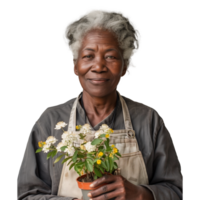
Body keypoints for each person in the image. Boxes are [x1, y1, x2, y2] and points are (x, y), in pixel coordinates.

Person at [15, 6, 185, 200]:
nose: (98, 67)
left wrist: (140, 194)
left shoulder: (149, 120)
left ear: (125, 66)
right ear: (75, 66)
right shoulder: (48, 121)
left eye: (111, 56)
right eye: (88, 56)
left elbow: (177, 191)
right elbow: (26, 195)